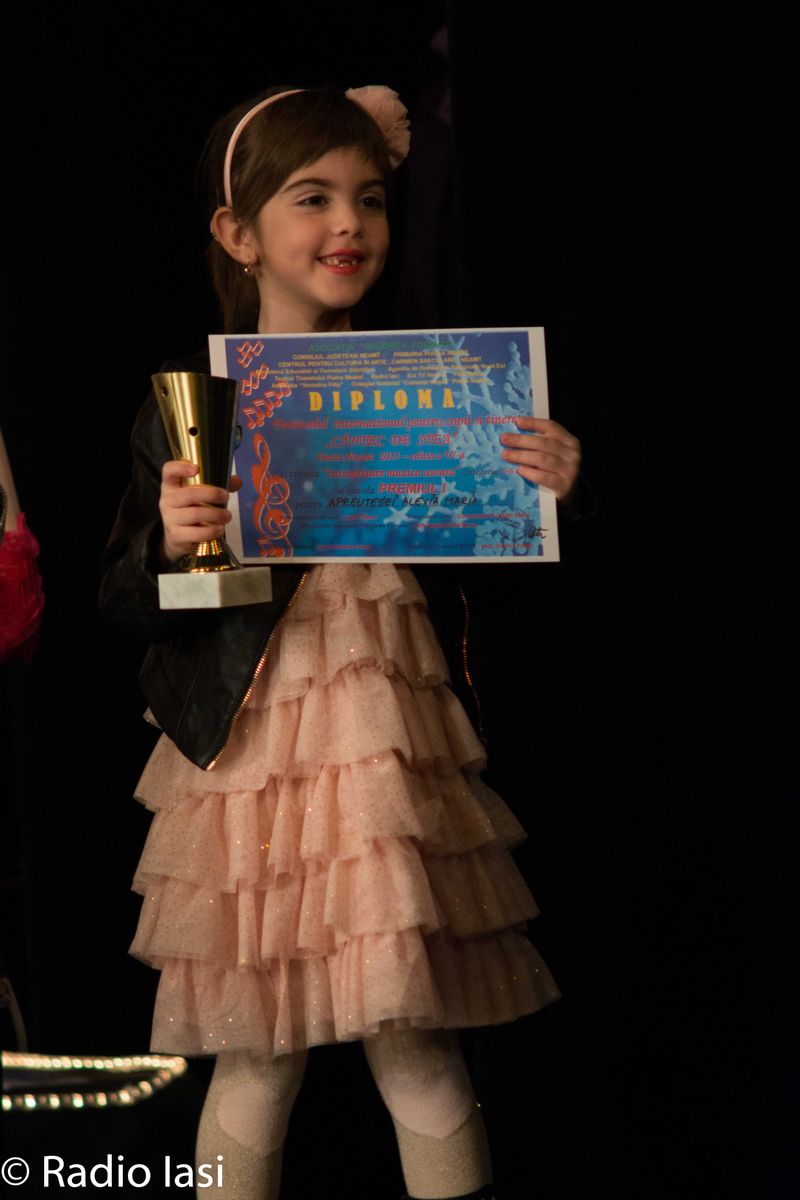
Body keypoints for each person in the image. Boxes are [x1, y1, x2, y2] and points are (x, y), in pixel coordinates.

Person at [100, 85, 582, 1200]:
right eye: (311, 198)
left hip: (385, 748)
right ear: (239, 233)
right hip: (253, 758)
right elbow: (126, 604)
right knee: (255, 1057)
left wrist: (555, 491)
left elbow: (505, 583)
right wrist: (171, 544)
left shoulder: (452, 392)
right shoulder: (198, 407)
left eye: (369, 197)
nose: (348, 223)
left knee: (415, 1043)